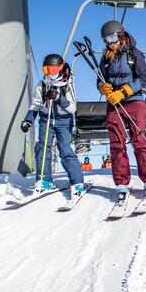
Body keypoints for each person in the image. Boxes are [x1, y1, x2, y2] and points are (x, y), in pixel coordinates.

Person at [97, 20, 146, 202]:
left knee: (139, 140)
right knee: (117, 144)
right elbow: (100, 80)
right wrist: (103, 88)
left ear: (121, 34)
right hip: (114, 104)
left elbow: (145, 78)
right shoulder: (105, 58)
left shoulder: (134, 54)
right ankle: (121, 183)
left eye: (113, 37)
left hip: (134, 102)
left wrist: (124, 91)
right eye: (107, 39)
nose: (111, 42)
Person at [20, 54, 85, 197]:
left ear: (60, 68)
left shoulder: (68, 84)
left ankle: (77, 182)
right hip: (46, 119)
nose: (50, 73)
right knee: (42, 147)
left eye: (53, 69)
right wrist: (28, 120)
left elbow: (72, 107)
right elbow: (36, 105)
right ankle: (44, 180)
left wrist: (58, 98)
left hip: (64, 121)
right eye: (47, 69)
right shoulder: (42, 84)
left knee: (65, 150)